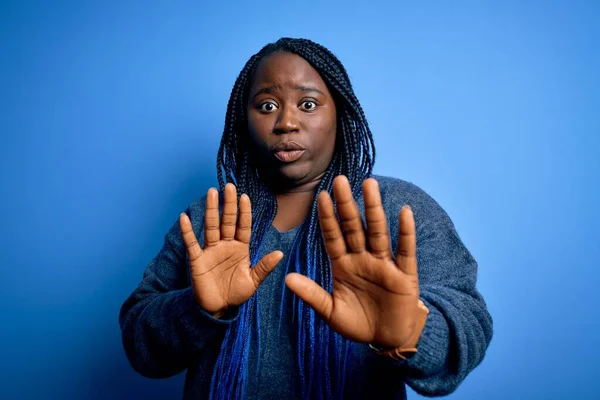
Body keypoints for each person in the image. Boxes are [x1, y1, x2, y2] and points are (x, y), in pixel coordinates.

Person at [119, 37, 493, 400]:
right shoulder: (212, 217)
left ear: (340, 115)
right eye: (266, 106)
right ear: (242, 122)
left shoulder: (394, 208)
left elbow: (471, 324)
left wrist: (411, 332)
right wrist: (198, 309)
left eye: (309, 104)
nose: (286, 123)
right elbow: (140, 341)